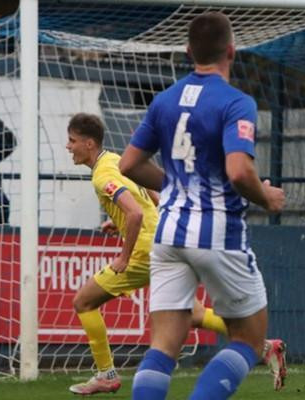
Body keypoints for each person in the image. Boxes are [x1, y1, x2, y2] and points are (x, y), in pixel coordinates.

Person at [118, 12, 286, 400]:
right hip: (216, 234)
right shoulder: (236, 102)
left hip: (169, 233)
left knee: (163, 345)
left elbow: (129, 164)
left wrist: (178, 188)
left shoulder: (164, 100)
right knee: (249, 335)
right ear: (232, 51)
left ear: (188, 51)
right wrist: (267, 197)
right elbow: (240, 171)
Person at [65, 113, 287, 395]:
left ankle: (105, 374)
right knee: (192, 314)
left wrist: (123, 256)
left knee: (83, 301)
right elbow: (150, 197)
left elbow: (133, 213)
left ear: (89, 143)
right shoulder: (113, 160)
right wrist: (117, 220)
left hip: (144, 252)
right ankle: (266, 347)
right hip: (164, 240)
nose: (68, 146)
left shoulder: (102, 175)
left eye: (72, 141)